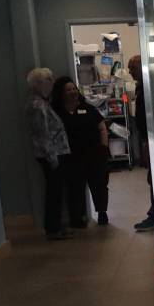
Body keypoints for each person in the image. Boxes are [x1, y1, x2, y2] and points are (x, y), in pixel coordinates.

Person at [51, 77, 110, 227]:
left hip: (94, 153)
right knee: (75, 188)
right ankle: (78, 217)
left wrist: (104, 147)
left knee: (99, 184)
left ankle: (102, 212)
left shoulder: (87, 108)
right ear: (61, 93)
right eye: (68, 90)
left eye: (74, 89)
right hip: (71, 157)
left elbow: (102, 127)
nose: (72, 92)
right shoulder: (56, 112)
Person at [25, 67, 73, 240]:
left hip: (56, 153)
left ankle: (58, 226)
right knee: (54, 192)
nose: (52, 83)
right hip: (51, 155)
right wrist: (52, 158)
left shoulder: (43, 102)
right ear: (39, 84)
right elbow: (43, 134)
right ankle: (53, 228)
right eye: (48, 80)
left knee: (57, 191)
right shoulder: (37, 105)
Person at [129, 55, 154, 232]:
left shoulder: (149, 87)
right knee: (151, 177)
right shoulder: (141, 87)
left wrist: (148, 142)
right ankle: (153, 212)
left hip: (152, 138)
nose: (130, 72)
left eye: (133, 68)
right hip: (147, 138)